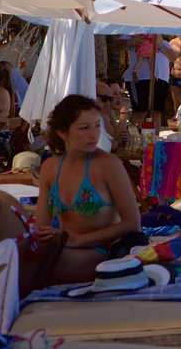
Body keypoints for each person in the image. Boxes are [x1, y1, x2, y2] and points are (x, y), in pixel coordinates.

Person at [34, 95, 141, 284]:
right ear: (61, 131)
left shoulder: (109, 165)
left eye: (97, 126)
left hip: (102, 249)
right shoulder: (50, 167)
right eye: (84, 128)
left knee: (43, 267)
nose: (94, 135)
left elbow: (133, 223)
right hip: (64, 246)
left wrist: (76, 241)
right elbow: (41, 226)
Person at [120, 34, 177, 127]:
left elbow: (174, 57)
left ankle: (154, 140)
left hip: (160, 79)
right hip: (140, 79)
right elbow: (118, 45)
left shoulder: (163, 42)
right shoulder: (134, 33)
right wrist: (132, 42)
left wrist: (160, 45)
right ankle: (134, 139)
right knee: (140, 111)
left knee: (157, 112)